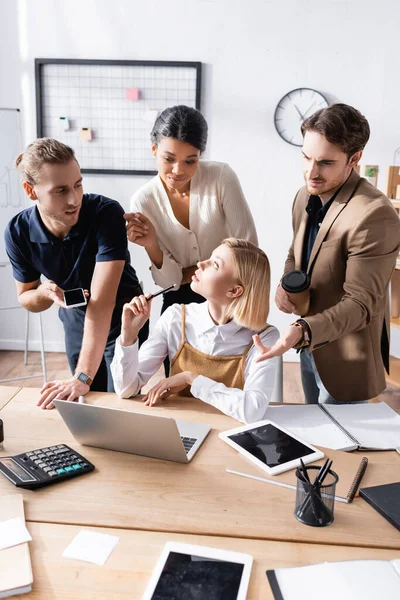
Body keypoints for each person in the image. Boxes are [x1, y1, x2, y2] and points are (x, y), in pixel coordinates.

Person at [255, 104, 400, 404]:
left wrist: (303, 328)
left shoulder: (375, 215)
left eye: (325, 162)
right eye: (306, 157)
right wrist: (285, 282)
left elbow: (361, 305)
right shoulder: (302, 195)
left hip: (347, 360)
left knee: (344, 447)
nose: (311, 172)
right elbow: (297, 252)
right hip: (307, 347)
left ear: (355, 158)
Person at [5, 138, 147, 408]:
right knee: (87, 401)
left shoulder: (106, 213)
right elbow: (26, 297)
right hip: (75, 320)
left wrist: (82, 375)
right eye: (60, 191)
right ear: (30, 190)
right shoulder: (17, 232)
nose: (74, 199)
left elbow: (102, 304)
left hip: (124, 317)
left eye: (78, 185)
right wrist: (43, 292)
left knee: (123, 400)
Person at [110, 238, 278, 424]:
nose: (200, 264)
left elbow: (253, 411)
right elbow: (126, 389)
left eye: (215, 264)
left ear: (234, 290)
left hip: (230, 436)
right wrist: (128, 336)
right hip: (179, 430)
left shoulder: (264, 337)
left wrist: (191, 378)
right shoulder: (175, 317)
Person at [124, 105, 258, 317]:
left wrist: (188, 273)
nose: (178, 170)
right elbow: (171, 282)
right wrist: (151, 245)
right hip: (179, 306)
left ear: (200, 155)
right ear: (154, 150)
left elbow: (249, 250)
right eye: (169, 159)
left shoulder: (221, 177)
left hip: (228, 296)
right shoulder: (143, 201)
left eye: (190, 161)